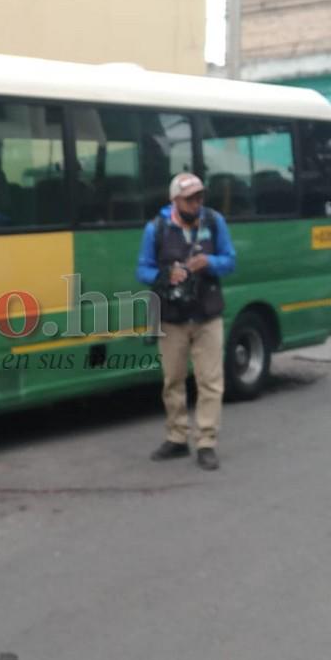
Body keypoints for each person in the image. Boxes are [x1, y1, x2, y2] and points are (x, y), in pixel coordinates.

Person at [136, 173, 236, 471]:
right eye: (190, 198)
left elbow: (231, 261)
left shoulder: (214, 222)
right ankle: (177, 438)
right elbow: (142, 270)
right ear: (175, 200)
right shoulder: (156, 228)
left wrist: (211, 262)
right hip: (172, 316)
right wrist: (167, 276)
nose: (197, 202)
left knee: (210, 382)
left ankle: (206, 442)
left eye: (199, 196)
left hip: (208, 315)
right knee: (173, 380)